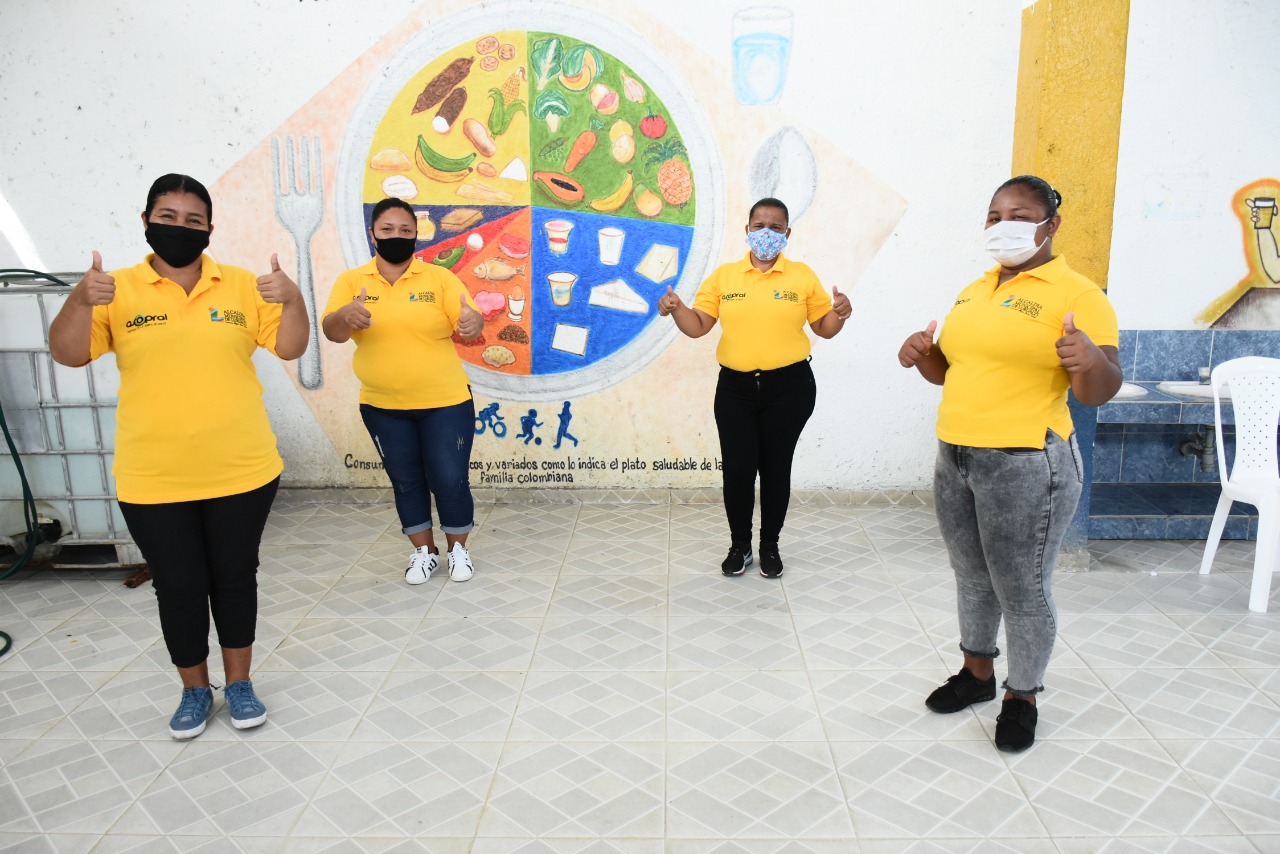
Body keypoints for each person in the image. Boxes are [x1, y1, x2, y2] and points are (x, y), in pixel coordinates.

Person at [48, 173, 309, 739]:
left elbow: (290, 346)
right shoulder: (114, 289)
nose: (180, 228)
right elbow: (68, 354)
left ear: (210, 229)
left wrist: (293, 299)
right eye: (167, 217)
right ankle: (195, 689)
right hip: (153, 475)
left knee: (236, 578)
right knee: (179, 584)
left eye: (194, 221)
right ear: (145, 221)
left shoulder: (242, 286)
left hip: (242, 468)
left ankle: (239, 683)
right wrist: (77, 297)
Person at [897, 175, 1121, 752]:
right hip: (957, 454)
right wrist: (923, 356)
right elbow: (951, 371)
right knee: (971, 576)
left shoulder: (1079, 294)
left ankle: (1022, 696)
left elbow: (1099, 390)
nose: (1003, 226)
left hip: (1026, 464)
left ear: (1052, 223)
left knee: (1021, 587)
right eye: (994, 216)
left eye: (1018, 215)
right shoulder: (974, 290)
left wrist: (1090, 359)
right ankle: (977, 674)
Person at [659, 197, 851, 578]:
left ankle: (770, 546)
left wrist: (840, 312)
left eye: (776, 228)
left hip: (790, 388)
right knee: (738, 469)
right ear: (747, 230)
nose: (766, 233)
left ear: (787, 234)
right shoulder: (724, 278)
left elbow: (824, 328)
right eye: (759, 225)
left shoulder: (801, 276)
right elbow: (698, 326)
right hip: (735, 390)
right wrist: (676, 307)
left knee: (776, 469)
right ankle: (740, 546)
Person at [322, 197, 484, 585]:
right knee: (406, 480)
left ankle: (458, 550)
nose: (397, 236)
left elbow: (471, 320)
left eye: (406, 231)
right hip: (382, 405)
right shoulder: (352, 282)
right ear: (372, 234)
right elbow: (333, 330)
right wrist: (345, 316)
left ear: (417, 236)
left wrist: (472, 321)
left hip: (446, 402)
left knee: (449, 478)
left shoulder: (438, 279)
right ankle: (423, 552)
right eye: (388, 230)